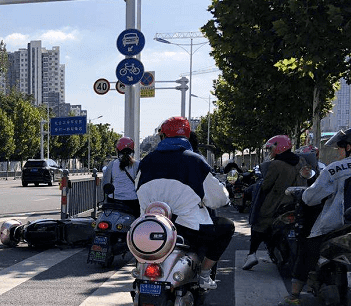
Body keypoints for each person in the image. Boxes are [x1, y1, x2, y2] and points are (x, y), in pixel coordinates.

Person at [136, 116, 235, 290]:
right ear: (187, 137)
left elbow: (138, 191)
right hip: (188, 229)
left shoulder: (146, 162)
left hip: (151, 229)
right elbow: (217, 198)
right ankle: (204, 274)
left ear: (163, 137)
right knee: (227, 227)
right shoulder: (195, 161)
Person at [279, 129, 351, 306]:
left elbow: (310, 198)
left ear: (349, 148)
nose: (338, 152)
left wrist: (304, 195)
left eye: (341, 148)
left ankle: (294, 296)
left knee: (307, 247)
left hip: (337, 225)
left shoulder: (335, 168)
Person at [242, 135, 301, 270]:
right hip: (295, 203)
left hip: (275, 204)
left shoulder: (276, 164)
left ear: (278, 147)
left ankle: (251, 255)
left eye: (271, 148)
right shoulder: (300, 161)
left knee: (258, 225)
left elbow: (266, 185)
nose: (270, 152)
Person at [101, 136, 140, 217]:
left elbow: (105, 183)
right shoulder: (137, 165)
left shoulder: (112, 164)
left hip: (113, 200)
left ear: (117, 150)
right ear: (132, 151)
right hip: (132, 201)